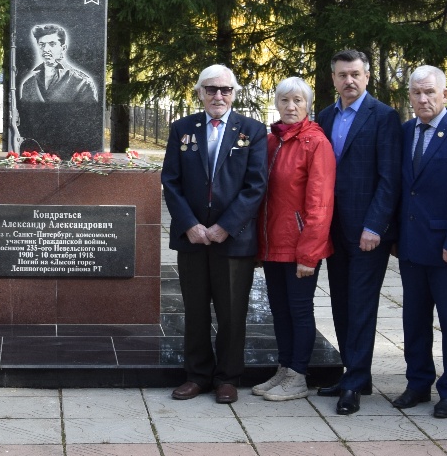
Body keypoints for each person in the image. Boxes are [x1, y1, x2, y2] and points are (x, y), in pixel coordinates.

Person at [162, 64, 268, 404]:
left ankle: (227, 378)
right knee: (194, 310)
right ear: (199, 93)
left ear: (234, 94)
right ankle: (197, 376)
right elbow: (171, 181)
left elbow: (256, 186)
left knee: (232, 312)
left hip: (233, 239)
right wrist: (190, 224)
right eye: (211, 89)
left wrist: (225, 226)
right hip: (192, 238)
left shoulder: (251, 130)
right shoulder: (182, 128)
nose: (218, 96)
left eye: (225, 90)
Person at [390, 66, 447, 419]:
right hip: (412, 246)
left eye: (430, 92)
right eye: (416, 93)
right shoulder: (404, 133)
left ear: (446, 95)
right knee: (413, 319)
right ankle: (417, 383)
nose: (423, 99)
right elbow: (402, 189)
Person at [314, 49, 400, 414]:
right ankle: (356, 373)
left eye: (355, 74)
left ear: (366, 77)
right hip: (334, 230)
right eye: (341, 75)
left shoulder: (383, 117)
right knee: (341, 303)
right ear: (333, 79)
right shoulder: (325, 116)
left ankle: (353, 382)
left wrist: (374, 226)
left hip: (367, 232)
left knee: (361, 305)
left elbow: (389, 178)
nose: (348, 80)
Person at [253, 77, 333, 402]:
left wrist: (309, 253)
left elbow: (321, 203)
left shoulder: (315, 143)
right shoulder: (273, 142)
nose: (290, 106)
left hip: (300, 246)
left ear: (308, 105)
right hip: (273, 244)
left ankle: (299, 375)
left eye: (297, 100)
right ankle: (284, 369)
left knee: (299, 310)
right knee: (279, 310)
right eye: (285, 100)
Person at [18, 24, 99, 103]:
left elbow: (89, 114)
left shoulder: (82, 82)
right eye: (42, 44)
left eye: (52, 44)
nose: (46, 49)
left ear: (63, 48)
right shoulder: (28, 84)